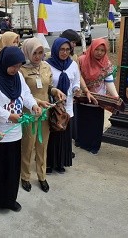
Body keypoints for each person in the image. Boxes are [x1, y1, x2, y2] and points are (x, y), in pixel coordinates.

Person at [0, 46, 42, 212]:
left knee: (11, 168)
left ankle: (9, 199)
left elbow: (25, 94)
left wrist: (33, 105)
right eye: (13, 66)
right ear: (4, 61)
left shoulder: (18, 76)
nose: (16, 69)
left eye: (19, 66)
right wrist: (8, 116)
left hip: (13, 132)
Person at [20, 38, 65, 193]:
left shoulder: (45, 67)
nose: (38, 56)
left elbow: (49, 86)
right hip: (29, 113)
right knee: (27, 146)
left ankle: (42, 176)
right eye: (34, 53)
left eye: (40, 53)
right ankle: (25, 176)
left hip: (45, 112)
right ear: (27, 52)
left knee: (42, 145)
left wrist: (55, 91)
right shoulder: (21, 70)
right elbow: (22, 93)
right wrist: (36, 102)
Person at [77, 38, 118, 155]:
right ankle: (82, 142)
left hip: (98, 99)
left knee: (95, 124)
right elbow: (77, 77)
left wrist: (115, 96)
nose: (99, 52)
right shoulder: (82, 60)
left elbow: (109, 81)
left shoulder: (106, 63)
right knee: (83, 121)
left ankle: (94, 146)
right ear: (92, 48)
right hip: (83, 97)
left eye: (102, 50)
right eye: (97, 49)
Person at [46, 38, 81, 173]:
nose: (64, 52)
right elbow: (46, 85)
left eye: (67, 50)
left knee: (64, 134)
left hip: (67, 106)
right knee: (52, 134)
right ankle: (49, 163)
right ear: (55, 49)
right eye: (61, 49)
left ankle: (60, 163)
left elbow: (76, 82)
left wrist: (76, 89)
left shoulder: (72, 65)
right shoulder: (47, 65)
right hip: (52, 106)